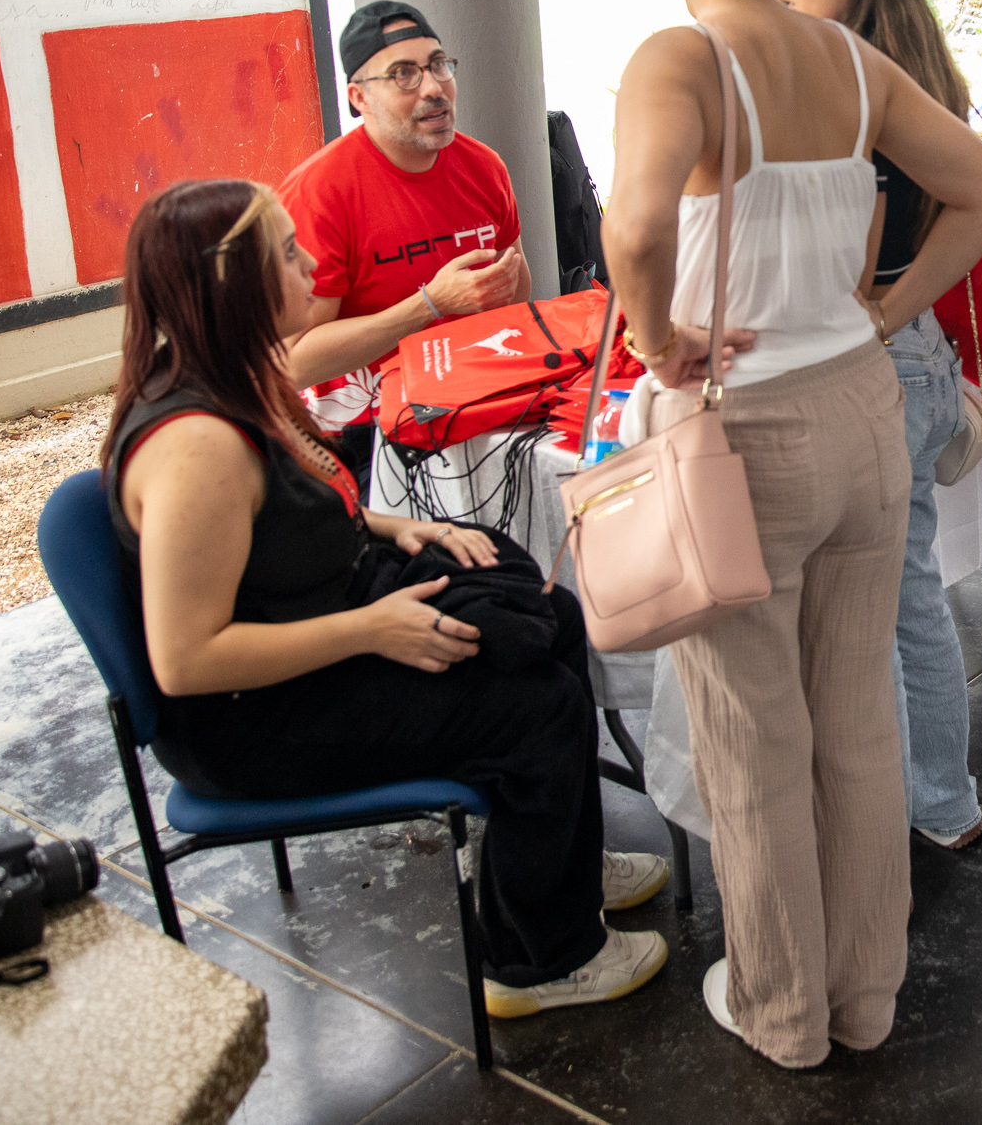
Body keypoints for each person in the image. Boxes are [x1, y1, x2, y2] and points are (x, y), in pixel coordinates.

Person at [605, 0, 982, 1067]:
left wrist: (657, 333)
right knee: (854, 711)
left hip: (745, 433)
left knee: (755, 734)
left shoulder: (679, 55)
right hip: (860, 410)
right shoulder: (846, 58)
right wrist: (885, 310)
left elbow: (633, 230)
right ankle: (865, 993)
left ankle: (783, 1011)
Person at [104, 179, 670, 1018]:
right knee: (534, 705)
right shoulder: (194, 447)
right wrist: (371, 629)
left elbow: (279, 517)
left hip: (323, 620)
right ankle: (541, 957)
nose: (309, 268)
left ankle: (560, 865)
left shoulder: (227, 376)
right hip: (255, 716)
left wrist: (390, 524)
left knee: (548, 611)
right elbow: (187, 661)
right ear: (233, 286)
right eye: (289, 255)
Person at [772, 0, 982, 853]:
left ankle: (936, 804)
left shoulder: (853, 81)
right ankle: (933, 797)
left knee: (896, 608)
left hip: (888, 365)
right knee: (905, 597)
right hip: (916, 357)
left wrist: (882, 315)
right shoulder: (905, 65)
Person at [278, 0, 530, 502]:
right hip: (358, 439)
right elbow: (293, 362)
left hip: (475, 408)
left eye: (439, 65)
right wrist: (430, 304)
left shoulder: (484, 168)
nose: (434, 87)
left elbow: (518, 300)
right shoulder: (319, 193)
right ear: (359, 98)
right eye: (404, 74)